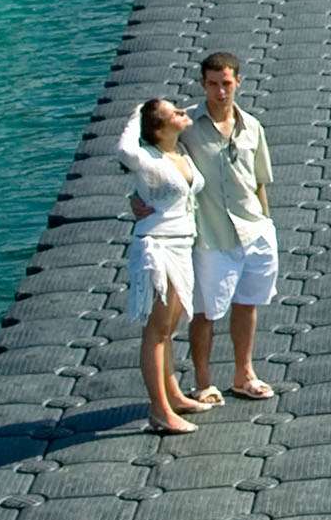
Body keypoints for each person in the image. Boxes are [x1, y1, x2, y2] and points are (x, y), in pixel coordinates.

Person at [179, 50, 280, 405]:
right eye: (212, 85)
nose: (220, 92)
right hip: (212, 235)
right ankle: (203, 382)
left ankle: (244, 374)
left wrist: (266, 223)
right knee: (205, 311)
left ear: (238, 82)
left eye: (226, 84)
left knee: (247, 303)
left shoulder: (252, 127)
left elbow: (260, 181)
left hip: (253, 230)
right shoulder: (187, 128)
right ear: (203, 85)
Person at [116, 96, 205, 435]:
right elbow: (123, 151)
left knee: (170, 327)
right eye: (174, 112)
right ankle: (160, 410)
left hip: (183, 243)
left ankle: (174, 395)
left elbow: (202, 107)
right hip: (157, 246)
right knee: (157, 330)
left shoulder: (179, 152)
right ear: (158, 126)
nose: (183, 113)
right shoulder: (148, 159)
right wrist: (136, 111)